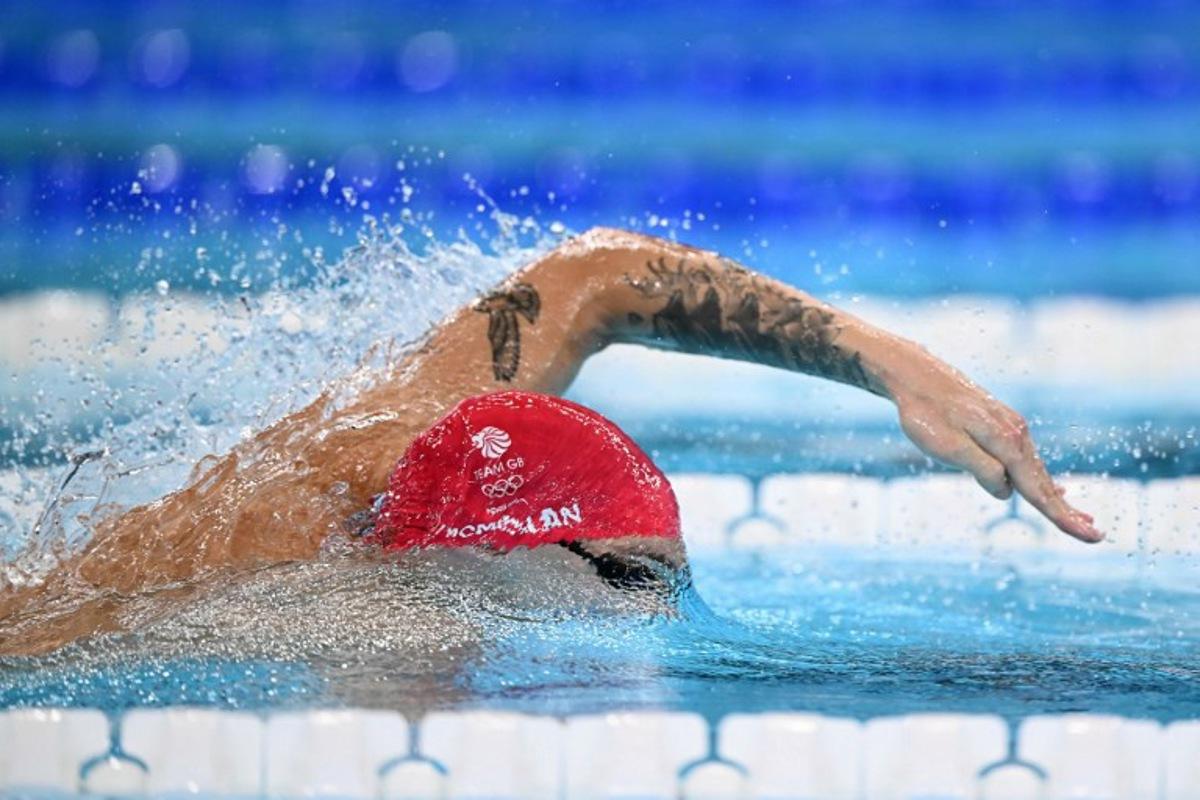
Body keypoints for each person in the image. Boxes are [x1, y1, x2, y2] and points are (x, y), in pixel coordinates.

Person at [0, 227, 1100, 655]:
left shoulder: (428, 436)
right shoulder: (319, 582)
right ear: (489, 550)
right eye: (629, 580)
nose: (656, 610)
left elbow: (595, 276)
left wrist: (882, 359)